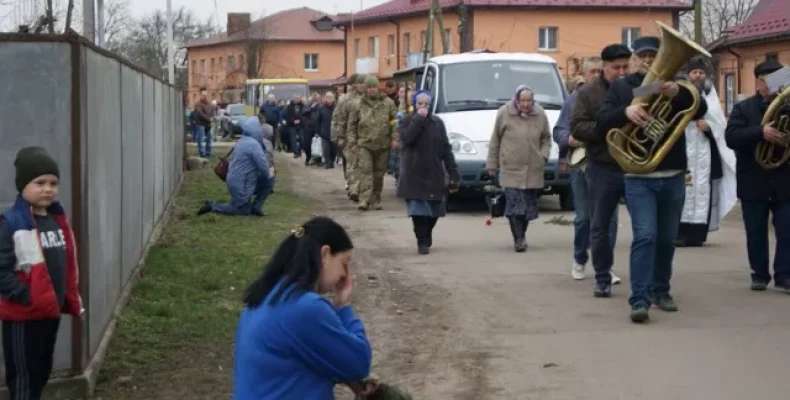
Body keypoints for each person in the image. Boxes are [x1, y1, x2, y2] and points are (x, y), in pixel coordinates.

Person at [597, 36, 707, 322]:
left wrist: (677, 95)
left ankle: (661, 291)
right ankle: (639, 299)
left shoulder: (679, 85)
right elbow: (602, 120)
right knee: (645, 236)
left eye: (653, 55)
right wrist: (626, 111)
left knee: (667, 239)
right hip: (638, 176)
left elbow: (701, 109)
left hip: (672, 174)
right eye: (644, 55)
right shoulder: (623, 86)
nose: (648, 60)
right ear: (636, 57)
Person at [232, 217, 374, 399]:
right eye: (344, 263)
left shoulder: (265, 297)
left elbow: (296, 362)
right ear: (325, 254)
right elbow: (358, 363)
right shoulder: (305, 308)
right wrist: (343, 306)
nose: (345, 275)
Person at [0, 147, 83, 400]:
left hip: (50, 312)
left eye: (53, 183)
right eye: (39, 183)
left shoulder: (57, 220)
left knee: (41, 372)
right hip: (23, 316)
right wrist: (26, 296)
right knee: (24, 378)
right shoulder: (11, 223)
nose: (47, 189)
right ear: (23, 185)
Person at [571, 44, 633, 297]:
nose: (621, 72)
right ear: (604, 68)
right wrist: (606, 129)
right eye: (615, 68)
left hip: (635, 165)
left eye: (625, 67)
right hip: (603, 166)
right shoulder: (588, 92)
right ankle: (602, 276)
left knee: (644, 226)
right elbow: (576, 126)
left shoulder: (637, 87)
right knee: (599, 224)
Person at [555, 54, 622, 284]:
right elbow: (558, 131)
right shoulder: (575, 99)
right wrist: (570, 139)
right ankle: (580, 259)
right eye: (590, 72)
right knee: (584, 217)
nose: (594, 75)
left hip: (607, 164)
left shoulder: (615, 96)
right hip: (581, 164)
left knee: (609, 219)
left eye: (597, 71)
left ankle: (606, 267)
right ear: (583, 75)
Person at [725, 59, 790, 293]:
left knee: (787, 229)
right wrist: (760, 131)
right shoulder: (744, 108)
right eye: (768, 81)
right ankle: (759, 274)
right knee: (756, 232)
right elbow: (731, 138)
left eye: (780, 80)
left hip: (784, 179)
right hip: (754, 179)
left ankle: (785, 275)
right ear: (758, 82)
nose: (774, 86)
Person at [676, 58, 738, 247]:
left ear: (706, 76)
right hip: (683, 149)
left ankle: (697, 235)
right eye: (694, 72)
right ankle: (680, 233)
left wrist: (709, 127)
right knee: (683, 191)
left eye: (701, 73)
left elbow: (720, 124)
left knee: (702, 190)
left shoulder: (711, 97)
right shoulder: (680, 94)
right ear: (688, 74)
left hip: (705, 152)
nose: (698, 75)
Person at [486, 85, 551, 252]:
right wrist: (492, 164)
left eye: (529, 100)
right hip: (511, 168)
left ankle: (522, 234)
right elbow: (495, 140)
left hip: (533, 168)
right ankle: (519, 238)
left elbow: (546, 138)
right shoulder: (504, 113)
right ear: (516, 100)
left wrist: (543, 156)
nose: (526, 104)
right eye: (522, 100)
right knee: (515, 205)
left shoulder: (540, 114)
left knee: (528, 206)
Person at [397, 90, 460, 254]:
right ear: (414, 104)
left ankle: (427, 234)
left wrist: (453, 171)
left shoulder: (437, 123)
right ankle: (422, 241)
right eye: (420, 103)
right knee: (418, 212)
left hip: (434, 173)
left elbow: (446, 148)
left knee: (433, 211)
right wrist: (419, 119)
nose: (423, 107)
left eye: (426, 104)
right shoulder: (406, 121)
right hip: (413, 173)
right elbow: (407, 138)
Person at [198, 117, 275, 217]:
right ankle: (213, 206)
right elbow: (264, 167)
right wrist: (268, 174)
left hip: (234, 180)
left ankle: (253, 207)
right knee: (243, 211)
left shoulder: (242, 140)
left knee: (240, 205)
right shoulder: (254, 145)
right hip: (242, 183)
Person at [348, 76, 398, 211]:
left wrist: (395, 138)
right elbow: (352, 125)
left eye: (374, 87)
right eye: (369, 87)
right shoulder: (358, 104)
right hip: (365, 144)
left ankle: (376, 199)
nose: (371, 90)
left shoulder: (388, 103)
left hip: (382, 144)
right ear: (366, 88)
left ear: (378, 88)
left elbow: (394, 122)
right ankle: (364, 200)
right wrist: (353, 143)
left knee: (378, 174)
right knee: (365, 172)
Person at [333, 74, 367, 202]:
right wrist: (339, 136)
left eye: (363, 83)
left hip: (366, 137)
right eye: (358, 83)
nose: (361, 86)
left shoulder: (370, 98)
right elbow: (339, 118)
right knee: (352, 163)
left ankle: (362, 189)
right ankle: (353, 189)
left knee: (363, 165)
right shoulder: (345, 100)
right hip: (349, 136)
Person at [315, 92, 337, 169]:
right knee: (326, 149)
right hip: (324, 131)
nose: (329, 99)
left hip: (334, 132)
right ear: (325, 99)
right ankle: (328, 162)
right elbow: (318, 121)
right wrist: (317, 131)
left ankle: (332, 161)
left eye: (330, 97)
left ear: (333, 99)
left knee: (334, 149)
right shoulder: (321, 108)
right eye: (327, 97)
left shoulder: (336, 108)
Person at [194, 90, 214, 157]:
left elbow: (212, 112)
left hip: (208, 124)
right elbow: (200, 114)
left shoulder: (209, 104)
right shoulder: (198, 104)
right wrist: (209, 119)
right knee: (201, 139)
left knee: (209, 138)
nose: (204, 97)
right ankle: (202, 154)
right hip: (200, 124)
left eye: (205, 95)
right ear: (201, 96)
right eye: (203, 95)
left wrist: (212, 118)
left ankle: (208, 153)